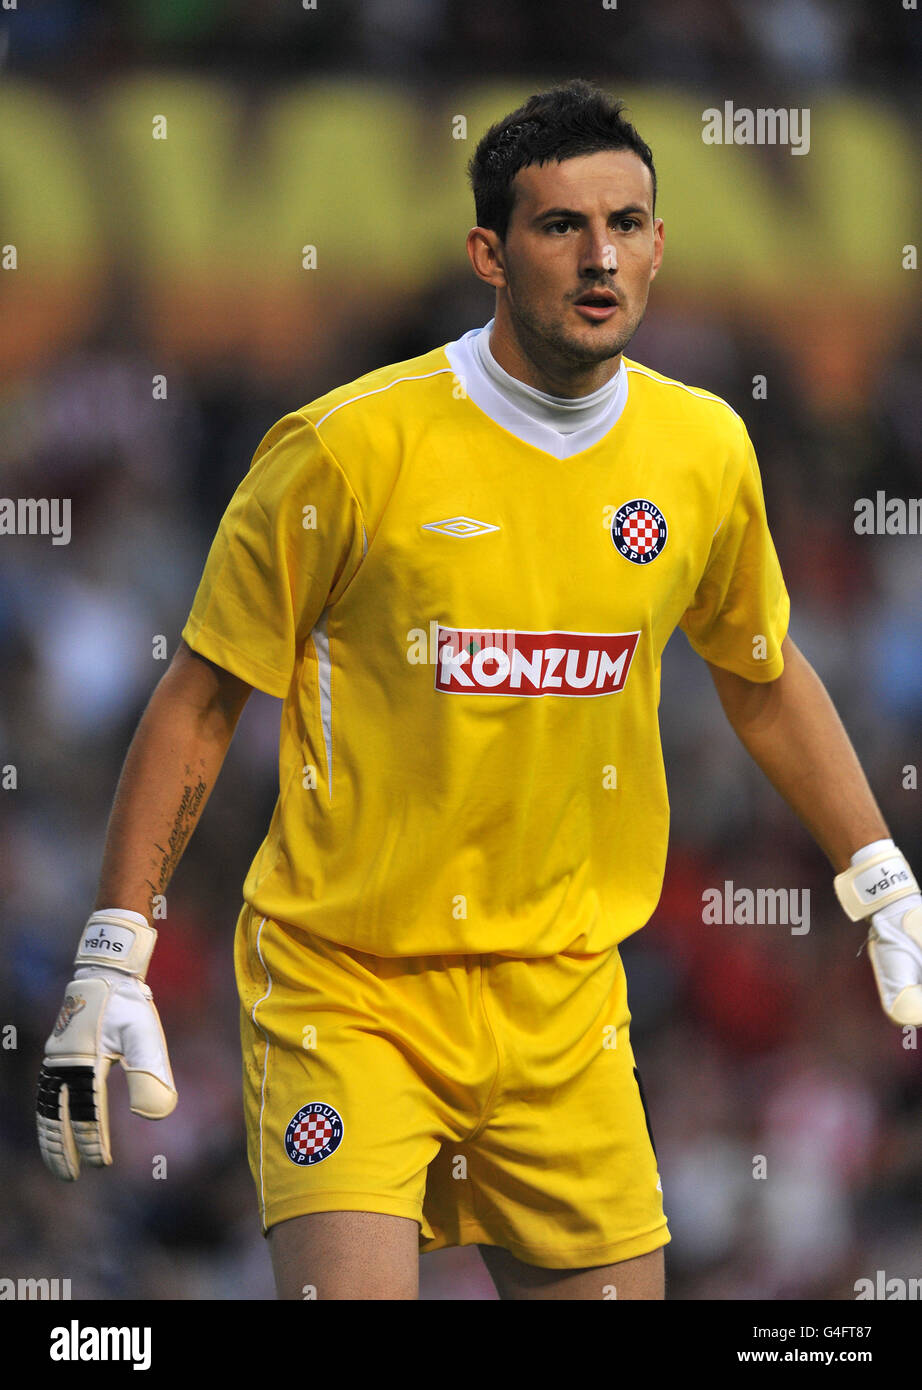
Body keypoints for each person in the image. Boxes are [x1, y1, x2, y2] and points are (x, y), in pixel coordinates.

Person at [36, 79, 922, 1301]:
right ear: (488, 254)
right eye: (561, 226)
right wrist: (112, 950)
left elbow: (761, 677)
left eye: (627, 222)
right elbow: (201, 693)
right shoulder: (346, 449)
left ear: (661, 243)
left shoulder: (704, 449)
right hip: (350, 989)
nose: (601, 255)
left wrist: (875, 871)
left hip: (564, 1002)